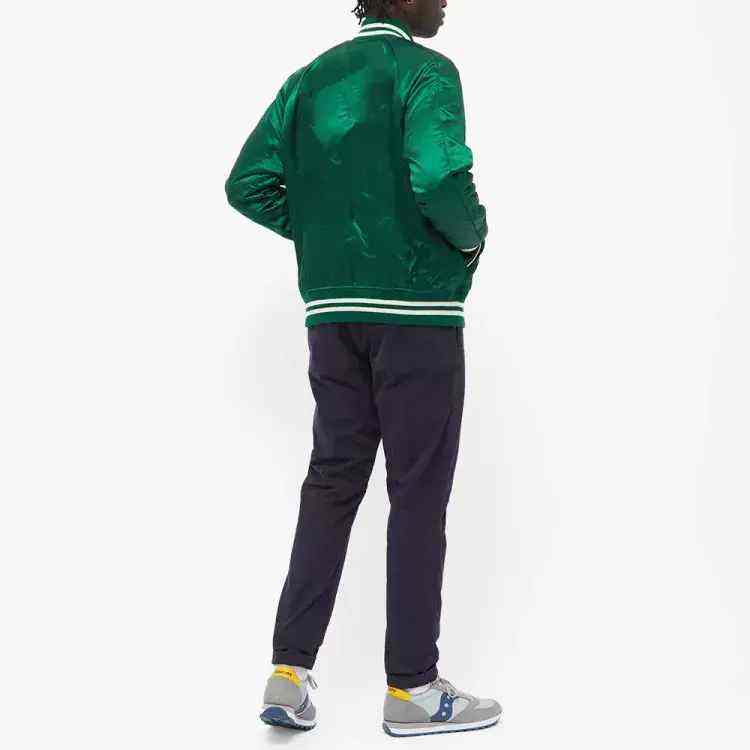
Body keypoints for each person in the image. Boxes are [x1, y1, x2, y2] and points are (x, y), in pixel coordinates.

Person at [225, 0, 501, 737]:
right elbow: (438, 174)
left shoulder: (308, 81)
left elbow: (247, 182)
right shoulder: (425, 71)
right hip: (415, 316)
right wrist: (472, 237)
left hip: (332, 317)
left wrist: (327, 232)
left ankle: (288, 673)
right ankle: (412, 689)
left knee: (331, 482)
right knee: (417, 494)